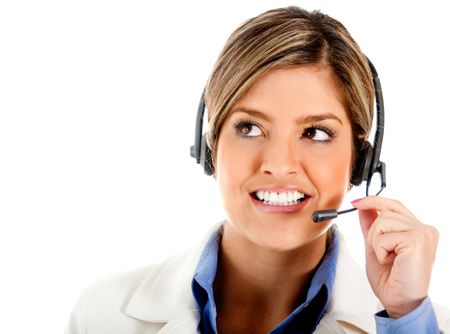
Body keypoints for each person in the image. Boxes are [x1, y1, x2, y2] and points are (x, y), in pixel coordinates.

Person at [66, 6, 450, 333]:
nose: (279, 164)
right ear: (210, 147)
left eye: (315, 132)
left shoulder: (420, 324)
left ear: (360, 159)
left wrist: (406, 318)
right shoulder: (101, 314)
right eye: (250, 128)